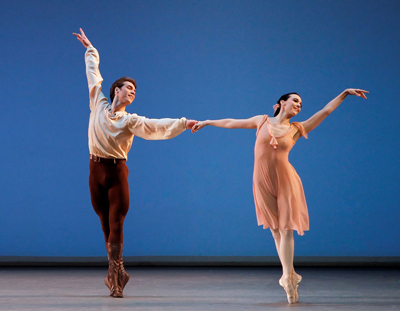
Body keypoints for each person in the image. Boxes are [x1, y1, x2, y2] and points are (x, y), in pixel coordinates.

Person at [192, 89, 368, 303]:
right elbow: (231, 122)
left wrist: (344, 94)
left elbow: (325, 112)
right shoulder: (261, 121)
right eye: (295, 100)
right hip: (261, 180)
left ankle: (287, 277)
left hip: (286, 181)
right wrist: (208, 121)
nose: (299, 105)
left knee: (285, 229)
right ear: (281, 103)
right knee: (275, 230)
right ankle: (290, 275)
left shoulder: (295, 129)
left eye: (301, 104)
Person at [73, 28, 197, 298]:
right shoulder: (98, 102)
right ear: (116, 90)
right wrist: (90, 48)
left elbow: (155, 127)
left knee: (116, 222)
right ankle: (114, 270)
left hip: (117, 172)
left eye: (135, 91)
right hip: (95, 171)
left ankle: (116, 276)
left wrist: (183, 124)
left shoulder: (130, 120)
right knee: (104, 224)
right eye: (129, 88)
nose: (132, 92)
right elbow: (93, 72)